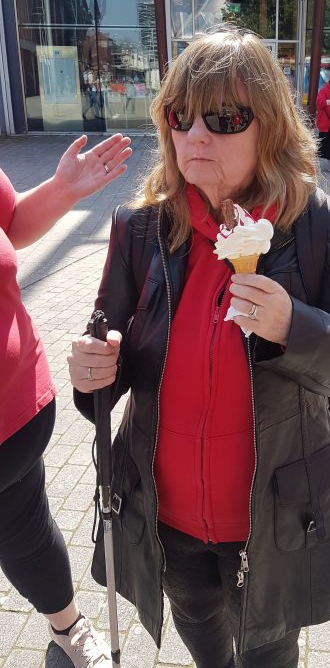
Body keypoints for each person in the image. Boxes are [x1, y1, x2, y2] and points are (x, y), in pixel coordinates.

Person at [68, 29, 330, 668]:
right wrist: (91, 372)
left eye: (225, 117)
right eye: (180, 117)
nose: (195, 136)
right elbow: (111, 358)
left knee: (268, 654)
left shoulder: (323, 229)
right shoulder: (140, 229)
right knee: (206, 646)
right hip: (170, 519)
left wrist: (292, 325)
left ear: (267, 126)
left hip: (272, 522)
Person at [0, 133, 132, 668]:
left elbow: (10, 226)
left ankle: (68, 627)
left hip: (15, 417)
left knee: (28, 536)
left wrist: (61, 190)